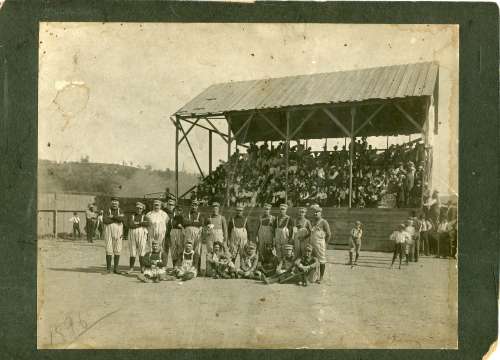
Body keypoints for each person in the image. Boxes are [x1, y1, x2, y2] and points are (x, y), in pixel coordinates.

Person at [102, 197, 125, 274]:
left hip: (118, 232)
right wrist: (117, 219)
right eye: (113, 201)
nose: (114, 203)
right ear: (111, 203)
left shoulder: (120, 210)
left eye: (116, 202)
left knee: (117, 249)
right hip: (108, 231)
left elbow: (123, 219)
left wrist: (113, 217)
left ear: (118, 203)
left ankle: (116, 268)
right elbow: (105, 220)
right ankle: (108, 269)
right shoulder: (107, 210)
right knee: (109, 248)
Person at [309, 204, 331, 283]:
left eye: (317, 212)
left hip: (320, 244)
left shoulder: (324, 222)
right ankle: (314, 275)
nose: (315, 214)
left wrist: (326, 244)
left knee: (322, 260)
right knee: (313, 259)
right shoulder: (313, 222)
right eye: (314, 213)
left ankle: (321, 277)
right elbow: (310, 232)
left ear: (320, 213)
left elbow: (329, 234)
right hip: (312, 243)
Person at [126, 202, 149, 274]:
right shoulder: (131, 216)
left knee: (142, 251)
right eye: (137, 208)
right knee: (132, 251)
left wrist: (137, 223)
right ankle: (131, 268)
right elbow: (130, 225)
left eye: (140, 208)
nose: (138, 210)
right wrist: (141, 224)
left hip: (142, 234)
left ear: (142, 209)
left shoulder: (144, 216)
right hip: (132, 234)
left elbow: (147, 223)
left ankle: (142, 268)